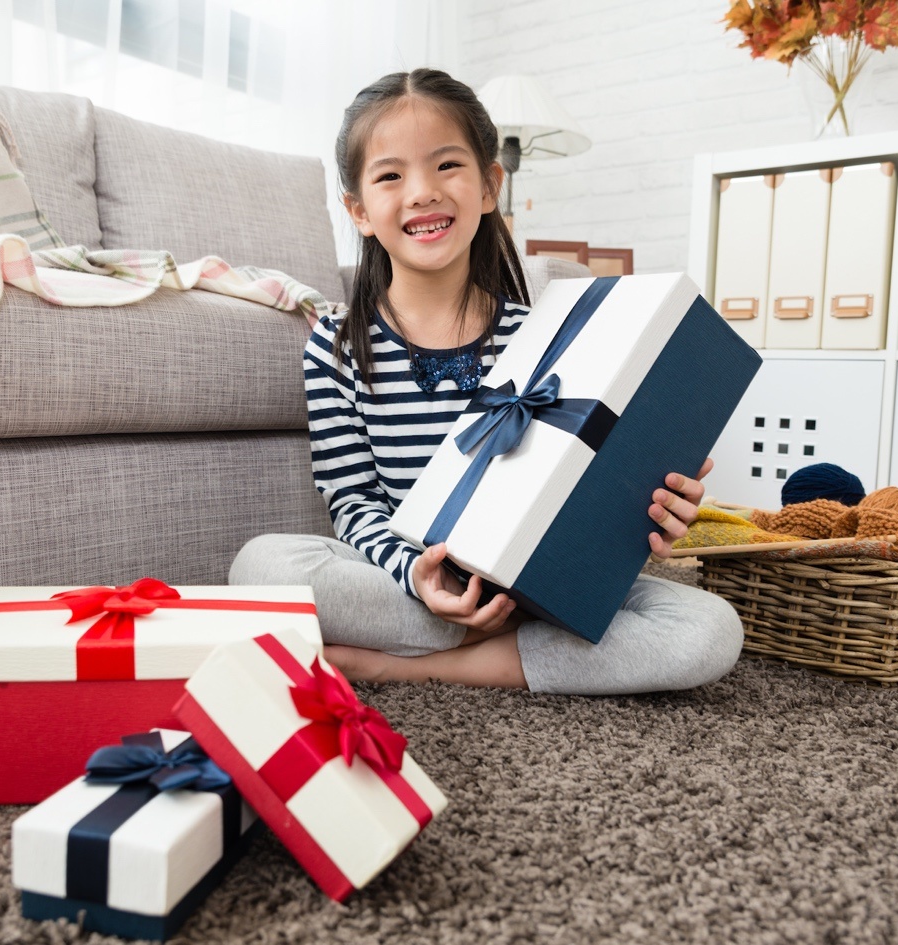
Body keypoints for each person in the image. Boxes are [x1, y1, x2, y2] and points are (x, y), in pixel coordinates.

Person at [230, 68, 742, 695]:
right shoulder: (336, 346)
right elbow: (353, 503)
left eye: (446, 165)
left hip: (538, 578)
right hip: (409, 581)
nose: (421, 193)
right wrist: (418, 575)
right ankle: (496, 640)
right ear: (359, 211)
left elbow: (590, 473)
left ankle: (405, 663)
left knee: (708, 627)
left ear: (489, 185)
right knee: (262, 564)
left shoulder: (551, 332)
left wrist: (653, 509)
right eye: (391, 176)